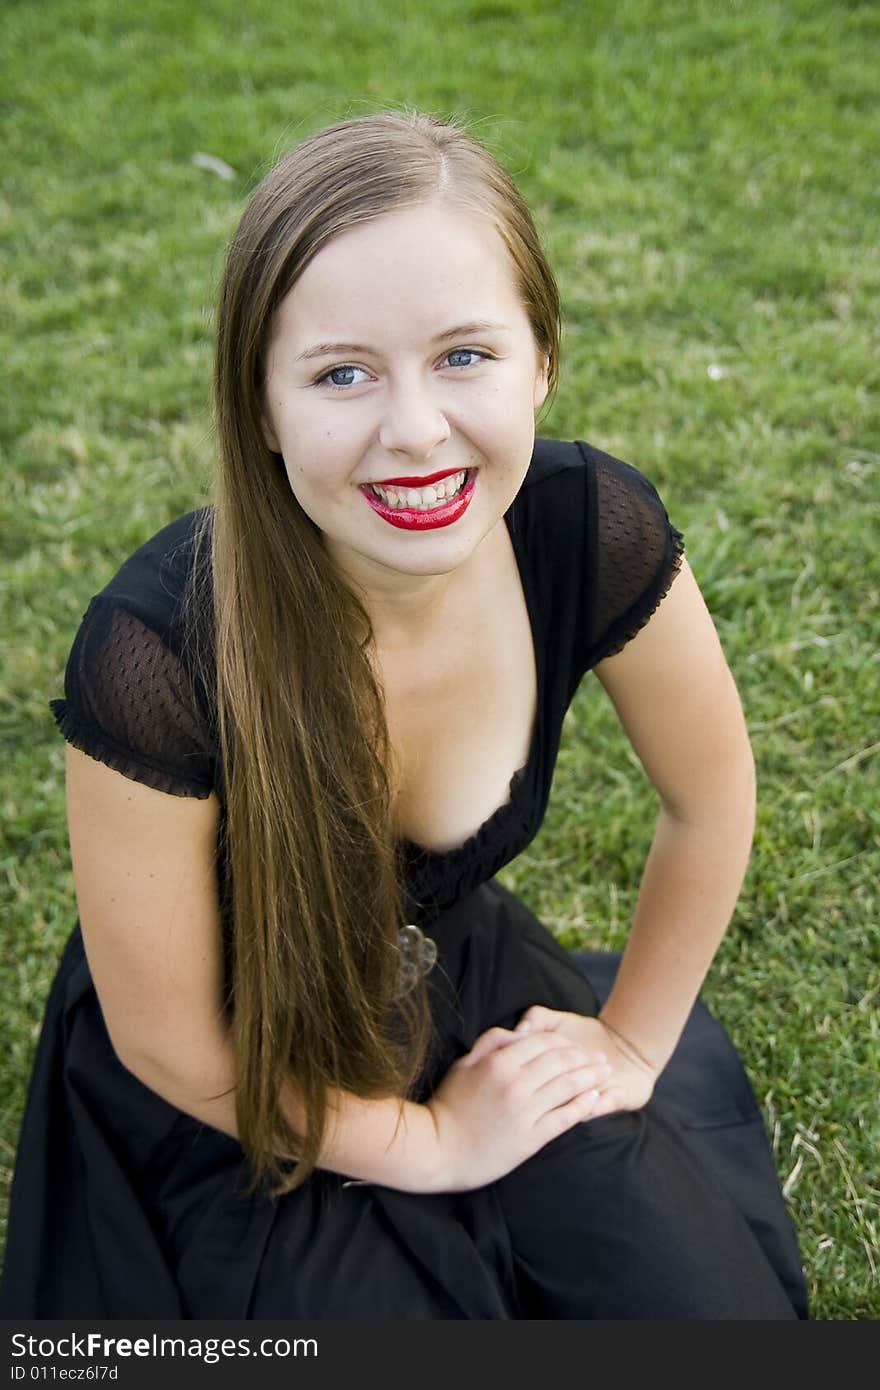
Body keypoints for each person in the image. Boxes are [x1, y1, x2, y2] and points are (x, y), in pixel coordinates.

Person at [1, 109, 808, 1320]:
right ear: (260, 408)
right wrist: (428, 1144)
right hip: (236, 1075)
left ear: (542, 358)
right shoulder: (158, 649)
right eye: (341, 372)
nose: (416, 430)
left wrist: (633, 1045)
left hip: (459, 976)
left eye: (464, 356)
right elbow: (171, 1043)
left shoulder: (591, 525)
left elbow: (709, 799)